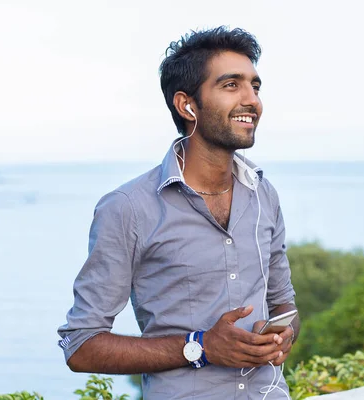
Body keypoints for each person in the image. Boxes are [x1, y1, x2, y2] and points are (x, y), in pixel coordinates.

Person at [57, 26, 300, 399]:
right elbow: (82, 345)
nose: (252, 99)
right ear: (187, 105)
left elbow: (284, 303)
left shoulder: (263, 194)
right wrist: (200, 347)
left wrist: (283, 335)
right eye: (231, 85)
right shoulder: (128, 208)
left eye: (255, 86)